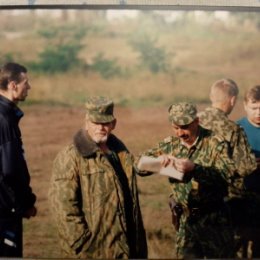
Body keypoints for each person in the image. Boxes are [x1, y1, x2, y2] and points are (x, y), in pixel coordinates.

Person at [137, 102, 242, 259]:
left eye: (184, 127)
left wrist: (195, 168)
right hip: (186, 222)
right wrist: (158, 162)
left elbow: (228, 175)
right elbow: (138, 166)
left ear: (196, 121)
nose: (180, 133)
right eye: (175, 127)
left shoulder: (216, 143)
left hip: (215, 223)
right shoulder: (169, 145)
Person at [49, 96, 147, 259]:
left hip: (127, 247)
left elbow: (138, 166)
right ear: (86, 122)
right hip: (92, 251)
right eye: (96, 123)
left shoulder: (120, 152)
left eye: (105, 123)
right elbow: (62, 207)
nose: (101, 128)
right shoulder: (70, 157)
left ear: (113, 124)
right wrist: (82, 242)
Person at [198, 79, 257, 258]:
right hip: (229, 202)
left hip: (196, 198)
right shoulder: (234, 129)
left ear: (211, 96)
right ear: (233, 100)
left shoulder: (193, 122)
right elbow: (246, 167)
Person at [0, 62, 37, 257]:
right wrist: (24, 203)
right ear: (13, 85)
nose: (29, 87)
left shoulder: (6, 114)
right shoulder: (4, 119)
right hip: (5, 211)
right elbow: (10, 170)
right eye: (26, 83)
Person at [237, 85, 260, 258]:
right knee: (239, 246)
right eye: (254, 108)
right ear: (245, 105)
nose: (258, 112)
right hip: (241, 198)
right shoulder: (235, 130)